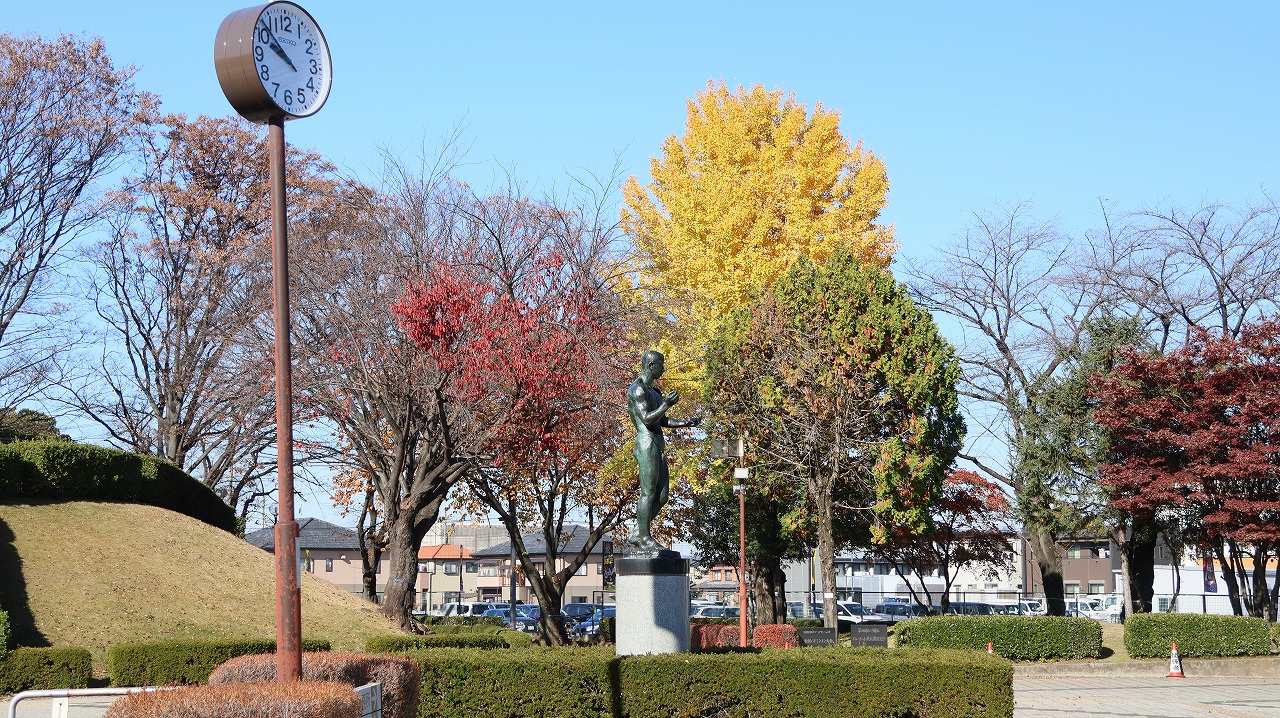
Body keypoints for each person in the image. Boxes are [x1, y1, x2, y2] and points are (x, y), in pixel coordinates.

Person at [627, 350, 700, 553]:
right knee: (648, 492)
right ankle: (644, 537)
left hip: (658, 445)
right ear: (651, 366)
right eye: (661, 365)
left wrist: (687, 422)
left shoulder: (655, 392)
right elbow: (647, 419)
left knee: (662, 496)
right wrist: (667, 404)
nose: (664, 368)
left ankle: (637, 532)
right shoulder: (637, 390)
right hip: (646, 444)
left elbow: (662, 420)